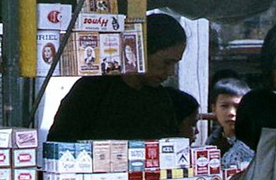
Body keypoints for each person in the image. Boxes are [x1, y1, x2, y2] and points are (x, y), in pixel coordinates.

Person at [47, 12, 188, 141]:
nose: (171, 71)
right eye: (167, 62)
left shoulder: (160, 99)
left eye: (175, 63)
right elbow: (58, 142)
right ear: (142, 52)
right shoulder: (91, 90)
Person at [207, 78, 249, 156]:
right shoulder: (213, 140)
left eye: (238, 107)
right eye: (224, 106)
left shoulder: (254, 142)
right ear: (214, 108)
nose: (231, 113)